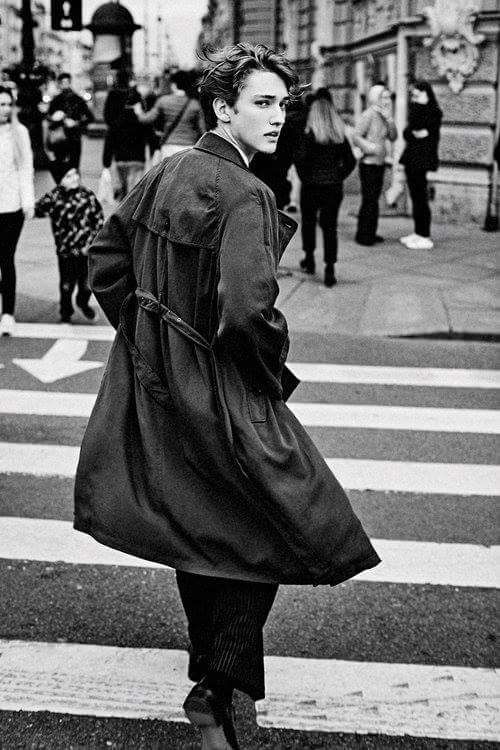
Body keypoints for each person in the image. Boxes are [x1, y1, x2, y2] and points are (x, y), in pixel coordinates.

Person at [74, 43, 379, 750]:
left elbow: (105, 260)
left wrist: (151, 337)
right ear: (223, 108)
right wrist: (268, 374)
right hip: (224, 388)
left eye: (282, 104)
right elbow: (247, 314)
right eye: (262, 103)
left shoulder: (166, 171)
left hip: (157, 385)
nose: (277, 118)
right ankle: (216, 685)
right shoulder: (247, 194)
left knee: (196, 520)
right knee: (273, 526)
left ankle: (212, 682)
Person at [294, 89, 356, 286]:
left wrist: (306, 178)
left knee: (309, 224)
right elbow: (351, 161)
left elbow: (299, 160)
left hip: (311, 186)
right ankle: (330, 268)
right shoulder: (339, 135)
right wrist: (338, 176)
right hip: (332, 187)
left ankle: (310, 259)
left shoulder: (309, 135)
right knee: (330, 228)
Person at [34, 166, 103, 323]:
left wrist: (93, 242)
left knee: (87, 285)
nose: (74, 179)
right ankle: (66, 312)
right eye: (68, 176)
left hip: (86, 250)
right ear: (60, 181)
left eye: (75, 175)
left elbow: (98, 220)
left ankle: (82, 302)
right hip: (66, 251)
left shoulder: (87, 196)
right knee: (67, 285)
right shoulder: (54, 197)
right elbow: (36, 209)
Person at [0, 85, 34, 337]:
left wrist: (28, 201)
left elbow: (26, 168)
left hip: (11, 206)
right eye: (0, 104)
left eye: (7, 104)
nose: (4, 109)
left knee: (6, 258)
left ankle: (7, 314)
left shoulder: (19, 132)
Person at [399, 81, 442, 250]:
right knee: (415, 197)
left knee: (421, 197)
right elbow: (408, 133)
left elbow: (425, 134)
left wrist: (416, 133)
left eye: (417, 94)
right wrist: (414, 133)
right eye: (413, 95)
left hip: (422, 160)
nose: (414, 98)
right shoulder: (417, 109)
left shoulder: (433, 112)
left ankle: (425, 235)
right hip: (412, 158)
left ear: (426, 93)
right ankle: (417, 232)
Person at [353, 84, 397, 246]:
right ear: (375, 98)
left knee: (374, 200)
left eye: (388, 97)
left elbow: (393, 137)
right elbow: (356, 136)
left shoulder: (385, 116)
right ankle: (363, 235)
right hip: (368, 163)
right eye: (383, 97)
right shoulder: (369, 114)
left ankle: (371, 232)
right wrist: (370, 147)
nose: (387, 100)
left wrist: (390, 120)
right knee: (369, 200)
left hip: (380, 163)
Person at [135, 69, 205, 157]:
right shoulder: (195, 104)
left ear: (174, 85)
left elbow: (146, 119)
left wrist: (138, 111)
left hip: (169, 147)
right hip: (189, 146)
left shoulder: (163, 101)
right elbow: (202, 129)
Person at [102, 87, 148, 201]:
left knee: (123, 196)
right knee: (134, 195)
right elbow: (151, 138)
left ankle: (122, 215)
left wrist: (106, 162)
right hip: (137, 160)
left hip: (120, 160)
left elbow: (109, 140)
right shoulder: (141, 120)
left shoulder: (117, 119)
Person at [46, 72, 93, 173]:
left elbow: (89, 117)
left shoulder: (78, 99)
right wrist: (56, 118)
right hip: (60, 138)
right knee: (61, 166)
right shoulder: (56, 100)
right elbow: (49, 118)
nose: (65, 84)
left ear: (70, 82)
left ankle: (74, 187)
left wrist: (75, 123)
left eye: (67, 82)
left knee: (74, 166)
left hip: (74, 137)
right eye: (62, 82)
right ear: (59, 84)